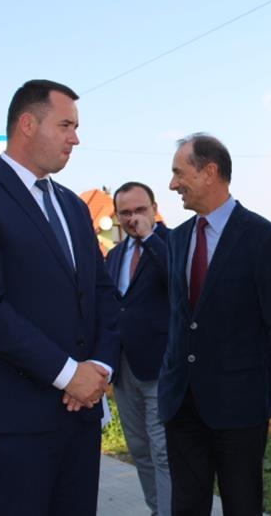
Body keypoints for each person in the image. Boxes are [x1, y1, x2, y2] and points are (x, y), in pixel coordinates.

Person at [0, 80, 121, 516]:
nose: (75, 139)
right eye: (66, 125)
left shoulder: (73, 206)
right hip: (15, 418)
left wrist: (99, 367)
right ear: (27, 124)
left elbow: (103, 294)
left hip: (80, 412)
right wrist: (67, 374)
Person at [159, 133, 271, 516]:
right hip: (182, 404)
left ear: (210, 172)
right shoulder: (178, 238)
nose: (172, 184)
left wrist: (259, 389)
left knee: (242, 504)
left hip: (240, 408)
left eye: (179, 173)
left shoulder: (262, 237)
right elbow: (179, 318)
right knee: (186, 506)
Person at [105, 181, 171, 516]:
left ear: (154, 209)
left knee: (163, 450)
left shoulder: (172, 242)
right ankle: (157, 508)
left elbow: (179, 282)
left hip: (161, 366)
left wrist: (150, 239)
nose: (133, 218)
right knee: (140, 449)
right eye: (125, 213)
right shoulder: (115, 255)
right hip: (124, 366)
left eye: (140, 210)